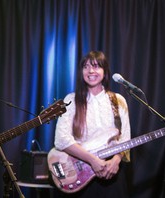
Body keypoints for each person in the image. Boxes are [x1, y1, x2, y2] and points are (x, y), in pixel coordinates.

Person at [54, 51, 131, 197]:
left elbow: (125, 138)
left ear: (104, 71)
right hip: (80, 170)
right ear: (81, 72)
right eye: (86, 67)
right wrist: (92, 160)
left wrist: (116, 160)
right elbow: (61, 139)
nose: (91, 71)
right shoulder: (71, 100)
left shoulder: (118, 100)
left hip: (111, 172)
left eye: (96, 66)